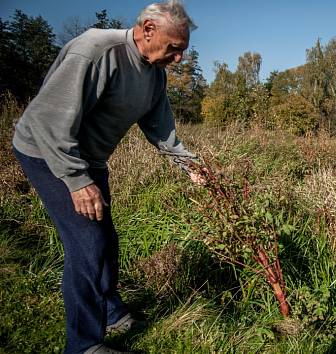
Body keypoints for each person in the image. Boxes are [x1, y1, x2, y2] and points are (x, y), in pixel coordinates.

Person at [12, 1, 201, 353]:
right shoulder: (96, 50)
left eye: (182, 51)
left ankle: (111, 311)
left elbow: (161, 130)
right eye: (174, 48)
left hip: (89, 159)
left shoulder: (154, 74)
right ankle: (84, 345)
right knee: (88, 243)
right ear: (148, 29)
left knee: (106, 239)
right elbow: (46, 122)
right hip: (47, 153)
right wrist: (77, 181)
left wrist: (193, 167)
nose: (178, 59)